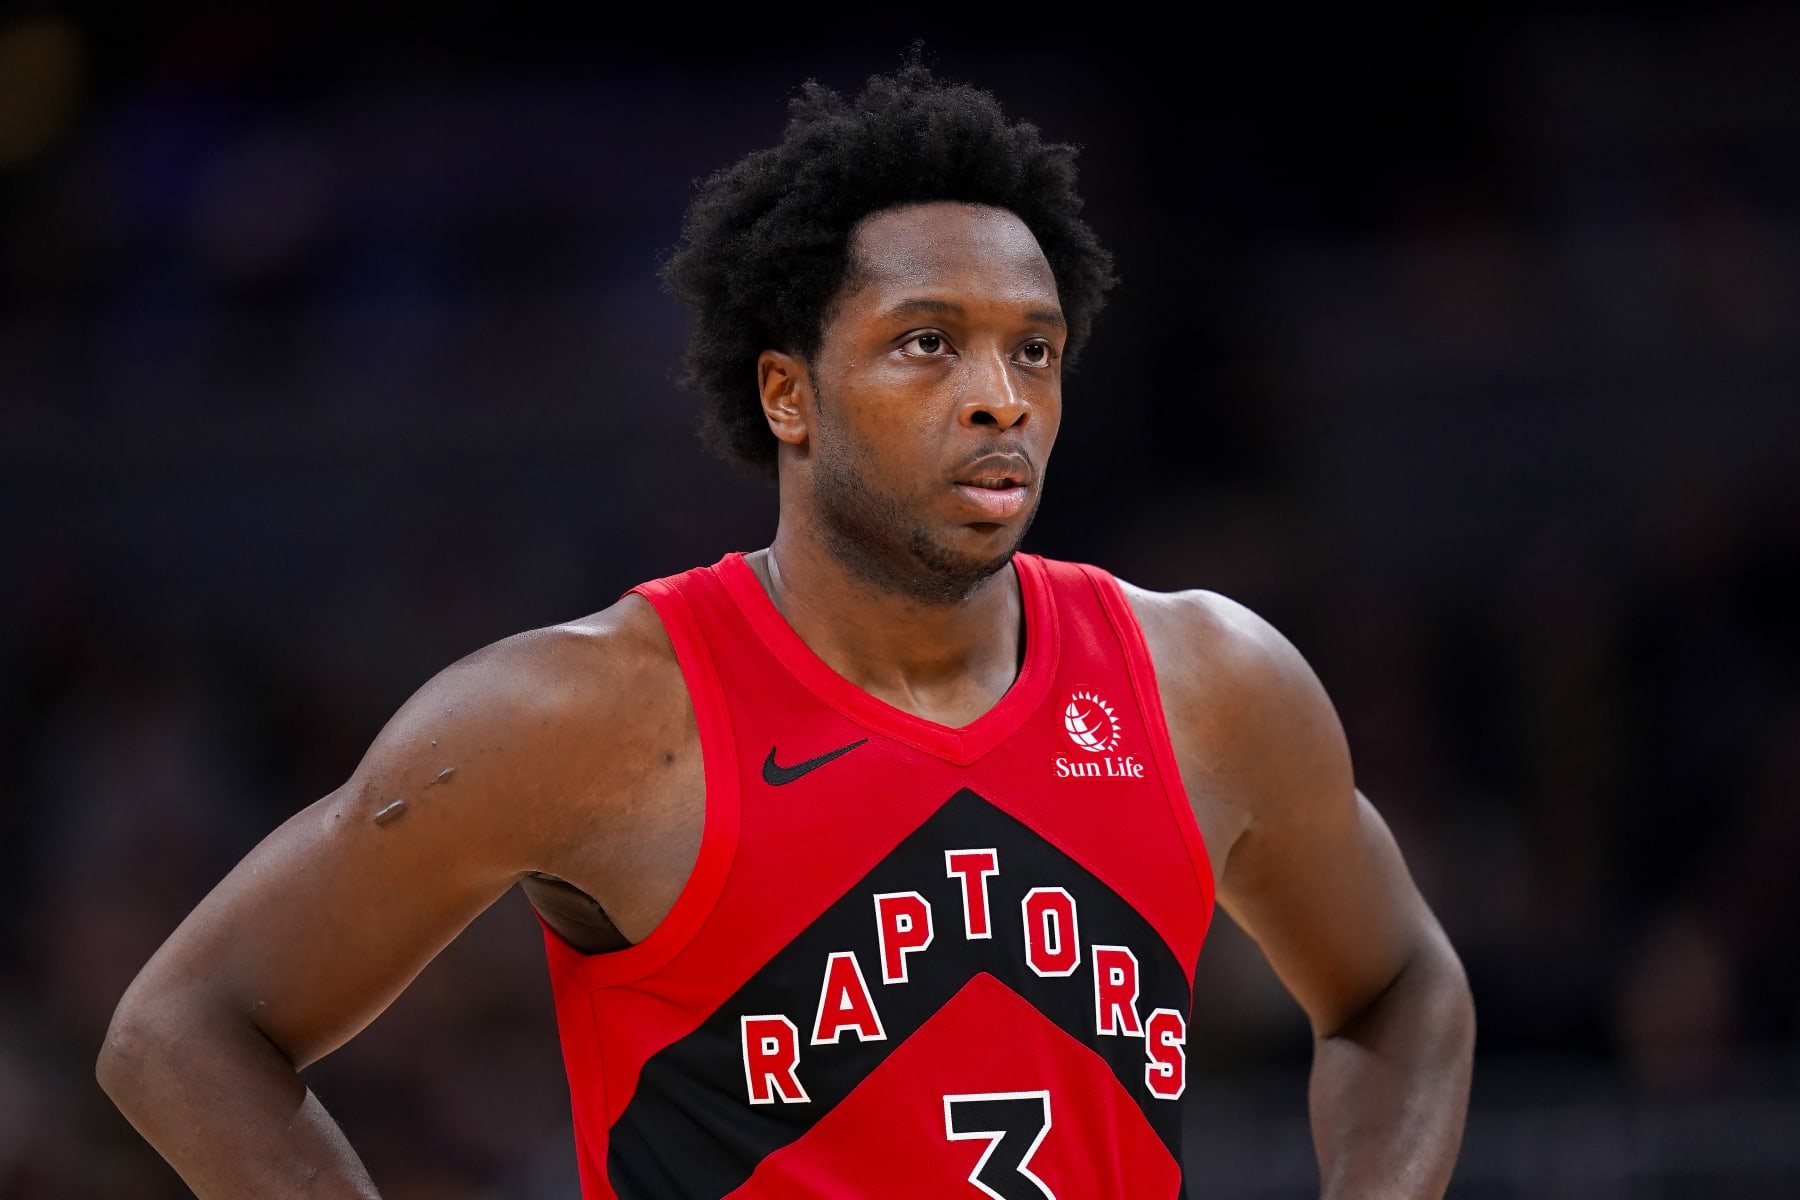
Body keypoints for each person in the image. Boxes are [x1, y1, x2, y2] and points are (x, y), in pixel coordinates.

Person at [97, 60, 1474, 1199]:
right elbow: (183, 1032)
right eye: (927, 341)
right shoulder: (582, 719)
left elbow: (1401, 989)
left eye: (1033, 348)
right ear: (788, 395)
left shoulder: (1207, 684)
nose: (1000, 396)